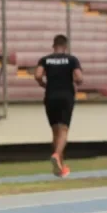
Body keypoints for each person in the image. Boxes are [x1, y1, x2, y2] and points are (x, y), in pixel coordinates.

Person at [34, 34, 83, 178]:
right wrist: (76, 82)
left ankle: (60, 167)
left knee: (55, 130)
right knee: (64, 130)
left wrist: (44, 84)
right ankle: (56, 155)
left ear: (53, 46)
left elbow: (37, 75)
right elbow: (79, 77)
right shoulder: (71, 60)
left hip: (50, 96)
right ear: (65, 46)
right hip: (66, 96)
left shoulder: (45, 59)